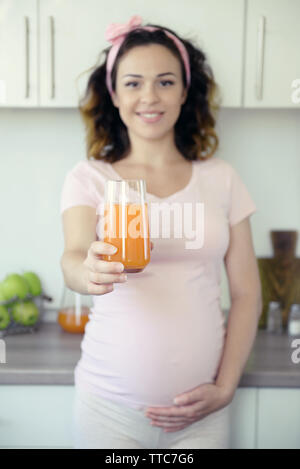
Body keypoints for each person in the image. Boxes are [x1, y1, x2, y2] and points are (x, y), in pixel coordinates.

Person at [60, 15, 262, 449]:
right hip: (107, 413)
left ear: (185, 92)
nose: (149, 96)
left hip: (202, 417)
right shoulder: (90, 177)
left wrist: (226, 389)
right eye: (133, 83)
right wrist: (89, 269)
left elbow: (247, 293)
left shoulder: (222, 179)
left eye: (165, 82)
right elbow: (74, 258)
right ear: (113, 94)